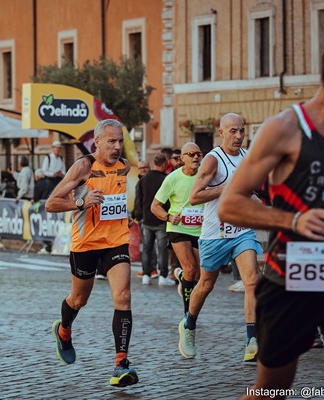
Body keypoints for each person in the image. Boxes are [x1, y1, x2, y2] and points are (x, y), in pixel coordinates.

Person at [219, 33, 324, 399]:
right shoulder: (285, 129)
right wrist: (292, 221)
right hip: (291, 278)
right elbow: (230, 204)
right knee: (272, 390)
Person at [46, 119, 138, 387]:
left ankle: (121, 364)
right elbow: (51, 203)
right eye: (111, 141)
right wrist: (81, 202)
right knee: (78, 300)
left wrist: (125, 214)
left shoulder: (124, 166)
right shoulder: (84, 166)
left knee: (123, 295)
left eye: (120, 141)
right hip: (86, 244)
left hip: (116, 241)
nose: (117, 146)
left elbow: (116, 198)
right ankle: (63, 331)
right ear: (97, 142)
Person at [188, 113, 263, 362]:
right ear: (221, 133)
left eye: (241, 130)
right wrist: (226, 187)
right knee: (205, 285)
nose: (239, 136)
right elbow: (194, 197)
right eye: (233, 131)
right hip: (214, 234)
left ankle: (252, 340)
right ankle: (189, 325)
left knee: (252, 281)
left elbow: (248, 193)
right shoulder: (212, 161)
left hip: (241, 231)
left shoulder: (247, 158)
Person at [151, 141, 204, 358]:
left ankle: (181, 277)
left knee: (200, 275)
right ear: (182, 158)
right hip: (178, 228)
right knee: (192, 270)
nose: (196, 157)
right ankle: (187, 319)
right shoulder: (172, 178)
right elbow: (155, 206)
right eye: (191, 154)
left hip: (200, 230)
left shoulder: (205, 175)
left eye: (199, 153)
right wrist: (168, 216)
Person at [134, 154, 171, 285]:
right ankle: (163, 276)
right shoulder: (166, 179)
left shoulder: (143, 180)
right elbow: (169, 201)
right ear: (163, 164)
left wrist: (138, 216)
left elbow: (138, 200)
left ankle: (146, 275)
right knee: (162, 249)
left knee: (146, 249)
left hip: (146, 220)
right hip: (161, 219)